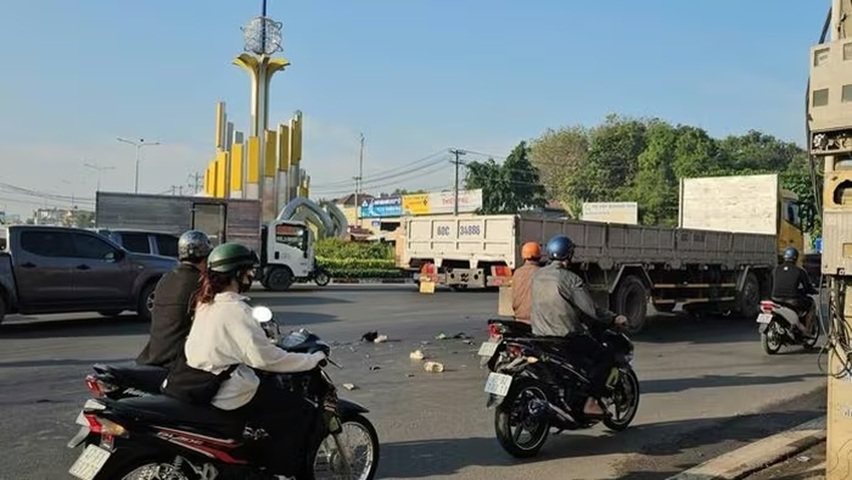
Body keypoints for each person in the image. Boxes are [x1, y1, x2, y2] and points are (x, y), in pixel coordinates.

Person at [177, 242, 326, 476]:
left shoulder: (205, 302)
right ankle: (281, 472)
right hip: (225, 390)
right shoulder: (237, 310)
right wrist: (311, 360)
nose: (251, 276)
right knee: (299, 411)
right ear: (237, 274)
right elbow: (265, 359)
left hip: (198, 382)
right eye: (248, 271)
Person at [530, 234, 628, 417]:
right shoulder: (570, 279)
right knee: (605, 356)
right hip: (565, 338)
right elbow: (592, 310)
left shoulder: (537, 275)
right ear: (569, 254)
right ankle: (591, 402)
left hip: (539, 336)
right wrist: (614, 318)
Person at [137, 230, 213, 369]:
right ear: (206, 257)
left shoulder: (166, 278)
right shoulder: (202, 283)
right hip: (178, 361)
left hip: (153, 355)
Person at [771, 246, 818, 336]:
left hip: (775, 299)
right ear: (796, 258)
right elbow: (807, 287)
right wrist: (814, 291)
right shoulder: (800, 271)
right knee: (811, 304)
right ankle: (807, 331)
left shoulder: (776, 269)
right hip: (792, 300)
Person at [511, 242, 543, 323]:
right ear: (539, 256)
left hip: (519, 317)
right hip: (536, 320)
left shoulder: (517, 273)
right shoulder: (541, 273)